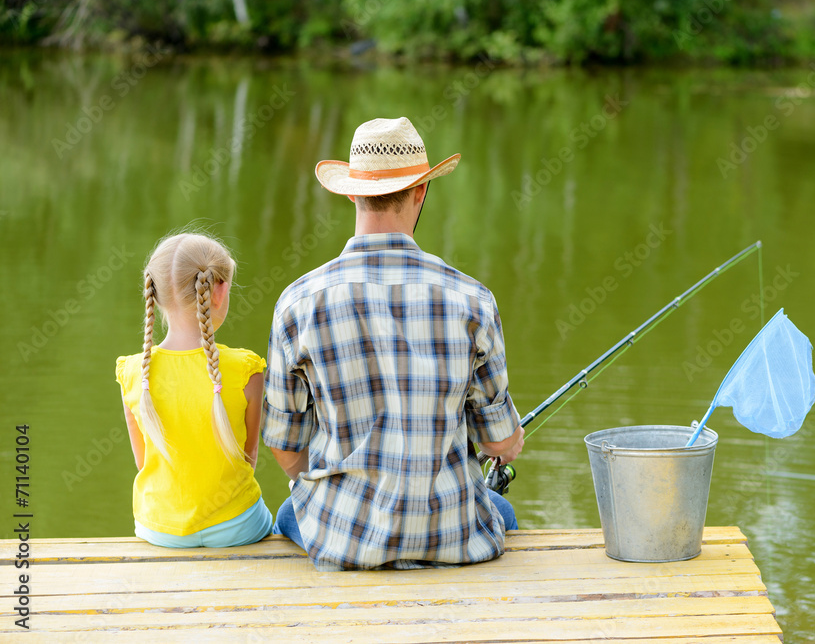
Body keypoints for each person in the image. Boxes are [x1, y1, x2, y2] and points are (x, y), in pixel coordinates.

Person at [263, 117, 525, 571]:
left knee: (291, 511)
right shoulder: (472, 299)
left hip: (344, 540)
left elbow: (285, 449)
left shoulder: (299, 301)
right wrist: (510, 441)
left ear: (351, 192)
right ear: (420, 191)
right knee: (502, 513)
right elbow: (498, 442)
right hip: (451, 536)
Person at [115, 233, 272, 548]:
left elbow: (143, 461)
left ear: (154, 295)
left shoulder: (134, 372)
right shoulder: (246, 369)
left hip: (158, 528)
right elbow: (249, 456)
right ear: (219, 291)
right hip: (237, 526)